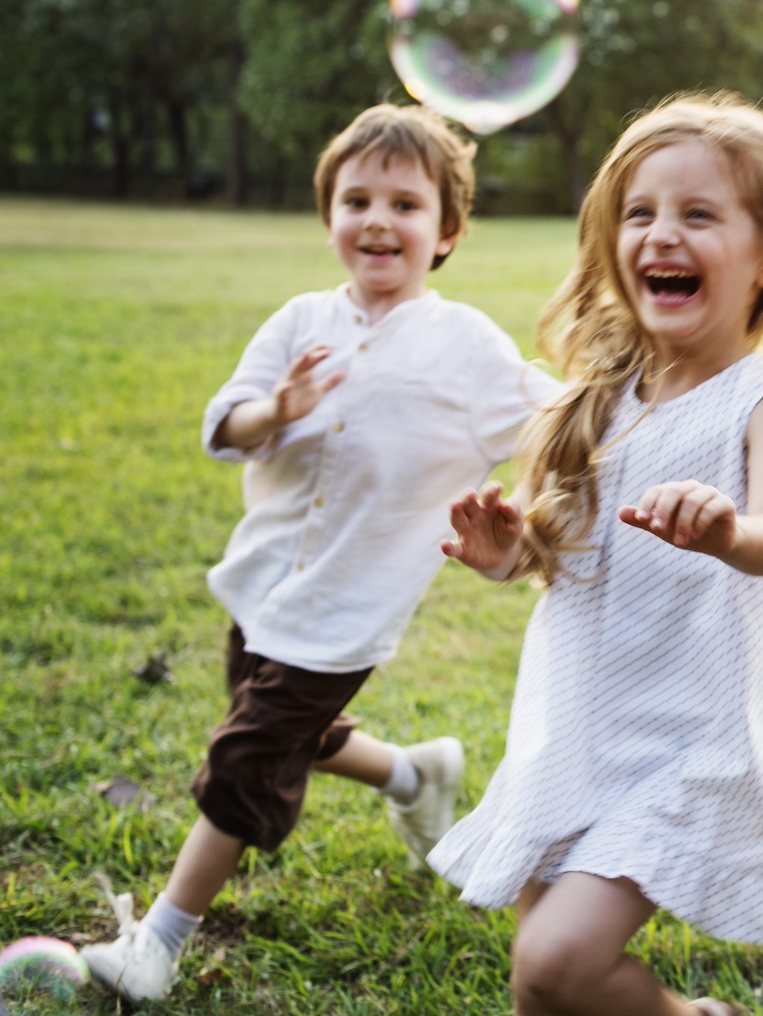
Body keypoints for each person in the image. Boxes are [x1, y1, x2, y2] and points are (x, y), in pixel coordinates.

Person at [83, 105, 559, 1002]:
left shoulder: (465, 348)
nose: (378, 219)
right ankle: (415, 770)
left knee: (244, 759)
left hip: (348, 606)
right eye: (357, 198)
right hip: (264, 584)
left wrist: (638, 406)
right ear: (329, 214)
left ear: (448, 230)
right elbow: (226, 425)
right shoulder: (300, 318)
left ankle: (160, 941)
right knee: (285, 730)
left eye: (406, 204)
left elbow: (553, 411)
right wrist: (281, 409)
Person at [426, 95, 763, 1016]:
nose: (661, 234)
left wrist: (727, 532)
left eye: (698, 214)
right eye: (641, 212)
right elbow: (564, 555)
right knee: (540, 986)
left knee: (555, 961)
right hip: (574, 728)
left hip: (682, 743)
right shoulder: (595, 400)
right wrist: (508, 553)